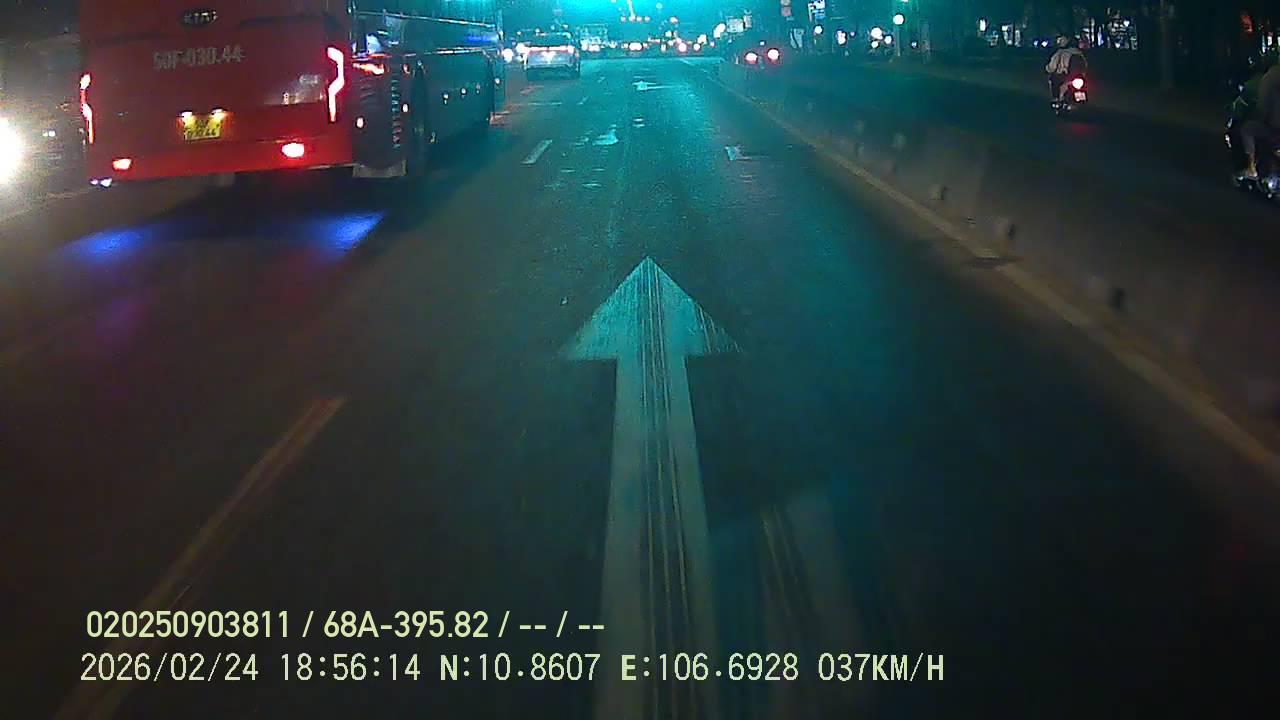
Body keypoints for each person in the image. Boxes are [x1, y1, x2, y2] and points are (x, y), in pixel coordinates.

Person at [1240, 51, 1280, 180]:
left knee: (1247, 129)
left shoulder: (1270, 77)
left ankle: (1251, 168)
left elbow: (1262, 108)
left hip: (1274, 129)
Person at [1045, 35, 1087, 103]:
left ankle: (1056, 99)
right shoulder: (1078, 52)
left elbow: (1052, 67)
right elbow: (1085, 65)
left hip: (1064, 77)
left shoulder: (1059, 53)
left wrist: (1048, 69)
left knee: (1053, 80)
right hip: (1078, 77)